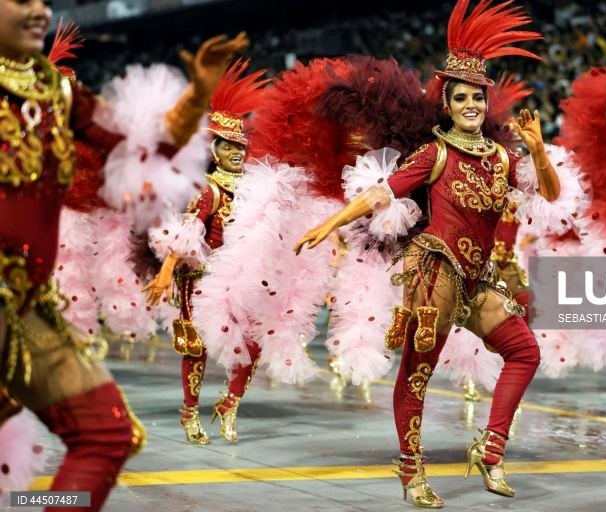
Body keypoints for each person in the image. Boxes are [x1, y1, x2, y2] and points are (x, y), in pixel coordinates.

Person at [295, 0, 560, 507]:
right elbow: (381, 194)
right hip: (436, 269)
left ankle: (491, 447)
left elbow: (548, 194)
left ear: (485, 104)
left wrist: (540, 151)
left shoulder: (504, 157)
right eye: (461, 99)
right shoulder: (435, 154)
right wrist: (328, 224)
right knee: (419, 369)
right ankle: (411, 471)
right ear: (448, 104)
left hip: (478, 278)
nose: (471, 107)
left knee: (525, 351)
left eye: (478, 100)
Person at [0, 0, 248, 508]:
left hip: (28, 313)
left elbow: (139, 148)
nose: (38, 11)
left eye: (43, 1)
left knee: (107, 435)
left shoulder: (56, 90)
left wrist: (197, 95)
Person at [144, 60, 268, 444]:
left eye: (240, 146)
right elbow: (188, 233)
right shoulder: (207, 190)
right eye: (228, 145)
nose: (236, 152)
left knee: (251, 346)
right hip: (200, 280)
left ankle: (229, 405)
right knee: (196, 350)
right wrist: (166, 272)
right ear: (214, 150)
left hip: (241, 281)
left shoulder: (252, 187)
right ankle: (190, 412)